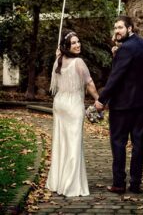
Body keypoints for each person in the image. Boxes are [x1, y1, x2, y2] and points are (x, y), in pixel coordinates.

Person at [95, 15, 143, 194]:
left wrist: (101, 99)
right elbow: (132, 70)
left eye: (120, 27)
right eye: (115, 28)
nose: (116, 31)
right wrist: (116, 54)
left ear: (130, 28)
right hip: (141, 102)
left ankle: (119, 183)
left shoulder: (125, 49)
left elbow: (116, 77)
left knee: (118, 142)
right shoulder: (142, 44)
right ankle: (135, 184)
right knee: (138, 143)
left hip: (123, 105)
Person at [46, 29, 99, 197]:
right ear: (67, 46)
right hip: (73, 105)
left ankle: (57, 182)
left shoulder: (58, 61)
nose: (77, 45)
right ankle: (70, 185)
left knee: (61, 143)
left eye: (78, 42)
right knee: (73, 144)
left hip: (60, 103)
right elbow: (89, 83)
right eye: (73, 43)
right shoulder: (79, 63)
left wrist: (57, 56)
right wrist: (98, 99)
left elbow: (55, 84)